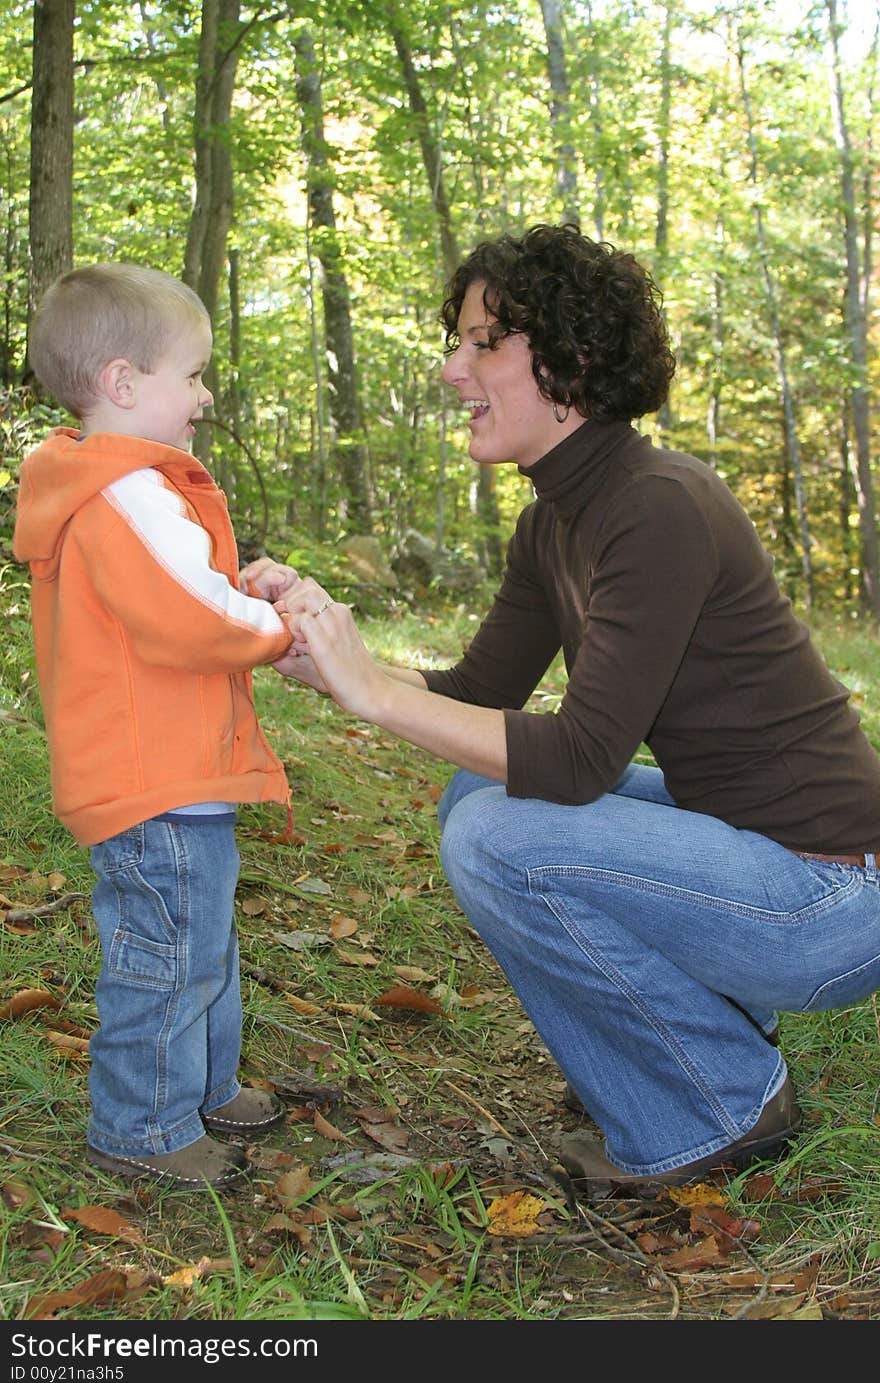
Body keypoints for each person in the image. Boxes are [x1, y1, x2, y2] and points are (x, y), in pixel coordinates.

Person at [268, 223, 880, 1194]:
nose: (448, 369)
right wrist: (331, 661)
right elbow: (476, 698)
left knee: (500, 836)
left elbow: (580, 758)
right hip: (743, 857)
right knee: (475, 796)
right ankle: (693, 1035)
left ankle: (718, 1099)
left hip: (831, 901)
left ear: (574, 361)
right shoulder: (554, 520)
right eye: (456, 341)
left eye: (482, 343)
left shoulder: (657, 503)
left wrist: (375, 694)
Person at [14, 263, 298, 1191]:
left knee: (201, 944)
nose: (205, 395)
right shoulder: (123, 491)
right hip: (155, 780)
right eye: (194, 373)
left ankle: (201, 1091)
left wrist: (238, 590)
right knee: (167, 956)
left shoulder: (121, 488)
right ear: (125, 384)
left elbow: (181, 595)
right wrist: (279, 624)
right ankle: (141, 1127)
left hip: (175, 774)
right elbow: (187, 614)